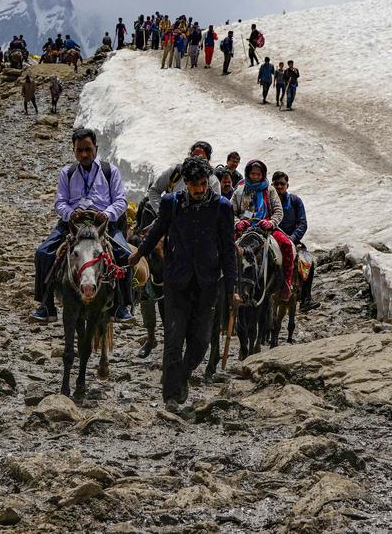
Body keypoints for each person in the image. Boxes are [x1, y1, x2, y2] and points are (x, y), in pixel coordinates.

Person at [127, 156, 237, 408]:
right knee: (174, 339)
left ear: (208, 182)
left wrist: (232, 288)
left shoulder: (221, 207)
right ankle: (171, 398)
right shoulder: (171, 203)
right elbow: (157, 230)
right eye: (194, 185)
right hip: (176, 280)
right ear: (185, 184)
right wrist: (140, 253)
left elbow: (228, 248)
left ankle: (179, 376)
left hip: (208, 282)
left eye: (203, 184)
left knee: (201, 341)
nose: (199, 189)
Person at [32, 128, 133, 323]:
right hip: (73, 224)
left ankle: (122, 305)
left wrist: (107, 213)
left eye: (88, 149)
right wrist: (70, 213)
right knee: (43, 253)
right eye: (79, 150)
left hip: (103, 224)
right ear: (74, 150)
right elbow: (60, 202)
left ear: (96, 148)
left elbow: (120, 201)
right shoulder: (67, 173)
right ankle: (47, 306)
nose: (84, 154)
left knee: (125, 255)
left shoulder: (110, 171)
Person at [231, 160, 296, 300]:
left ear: (263, 175)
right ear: (247, 173)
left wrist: (271, 223)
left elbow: (278, 211)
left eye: (258, 174)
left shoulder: (270, 190)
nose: (255, 176)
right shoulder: (239, 190)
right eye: (252, 173)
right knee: (225, 247)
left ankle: (286, 282)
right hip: (244, 229)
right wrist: (237, 223)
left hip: (266, 228)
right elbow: (231, 212)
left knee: (286, 244)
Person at [272, 171, 318, 311]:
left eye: (282, 184)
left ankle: (306, 299)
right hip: (272, 238)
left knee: (308, 262)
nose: (279, 186)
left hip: (292, 239)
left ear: (287, 185)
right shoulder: (268, 201)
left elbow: (303, 223)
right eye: (277, 184)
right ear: (272, 185)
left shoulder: (295, 201)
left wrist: (292, 239)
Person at [147, 141, 215, 209]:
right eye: (194, 156)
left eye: (201, 158)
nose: (196, 160)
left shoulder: (213, 181)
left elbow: (215, 207)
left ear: (207, 161)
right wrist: (163, 213)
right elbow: (154, 191)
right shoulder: (176, 172)